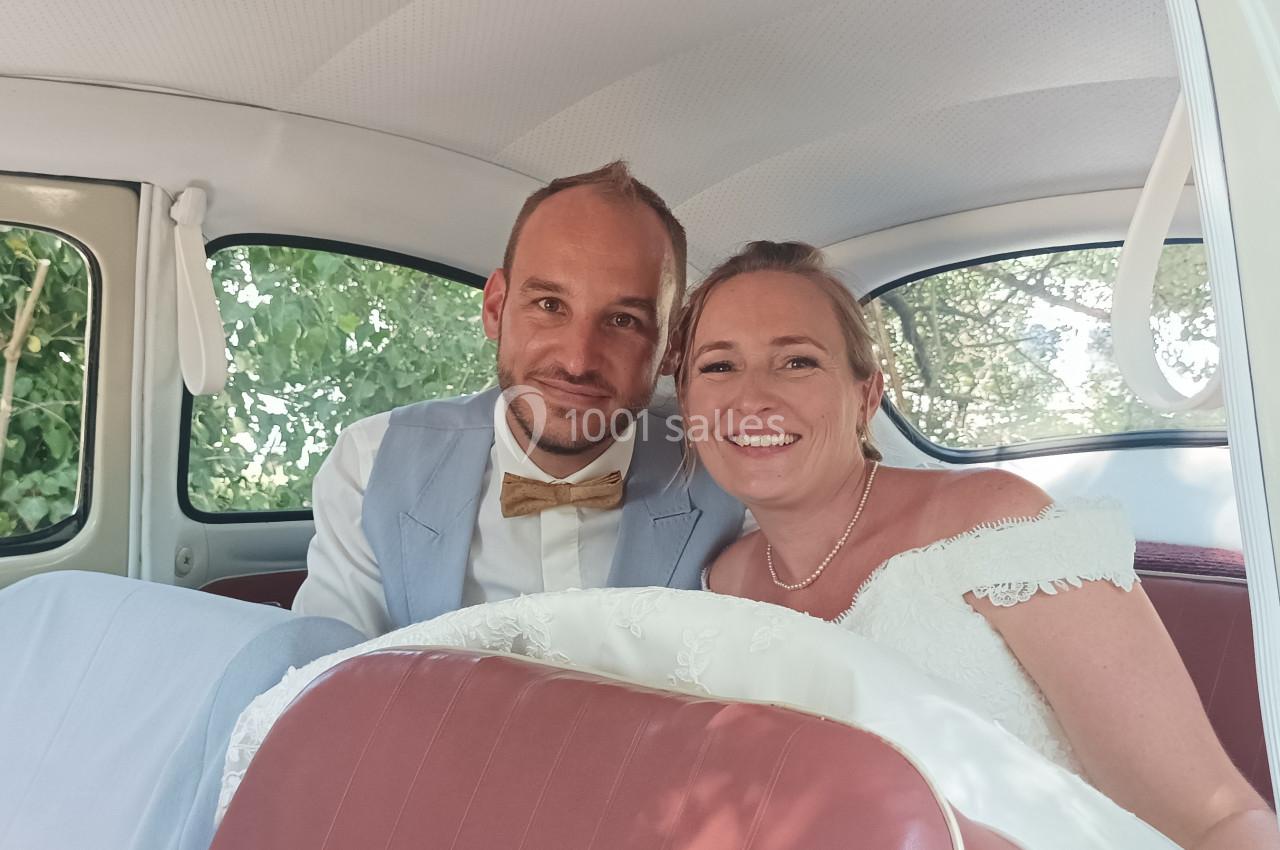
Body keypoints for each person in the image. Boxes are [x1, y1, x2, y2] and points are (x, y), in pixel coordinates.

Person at [673, 240, 1279, 850]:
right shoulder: (719, 582)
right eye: (718, 367)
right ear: (689, 406)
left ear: (866, 394)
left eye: (797, 361)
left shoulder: (996, 528)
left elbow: (1214, 819)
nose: (751, 399)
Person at [292, 162, 744, 638]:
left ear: (671, 346)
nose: (577, 360)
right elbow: (327, 677)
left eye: (623, 321)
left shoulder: (734, 476)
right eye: (550, 306)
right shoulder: (369, 463)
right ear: (495, 308)